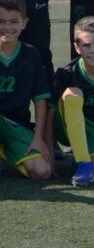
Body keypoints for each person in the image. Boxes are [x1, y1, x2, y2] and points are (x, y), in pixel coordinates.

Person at [0, 0, 52, 184]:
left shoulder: (31, 54)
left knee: (42, 172)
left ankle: (2, 149)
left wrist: (38, 137)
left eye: (14, 21)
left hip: (18, 125)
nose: (7, 27)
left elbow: (40, 99)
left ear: (24, 23)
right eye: (1, 21)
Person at [47, 16, 94, 187]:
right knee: (72, 94)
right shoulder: (65, 74)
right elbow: (49, 116)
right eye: (87, 45)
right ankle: (84, 164)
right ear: (77, 47)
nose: (92, 50)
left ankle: (85, 158)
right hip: (67, 131)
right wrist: (50, 158)